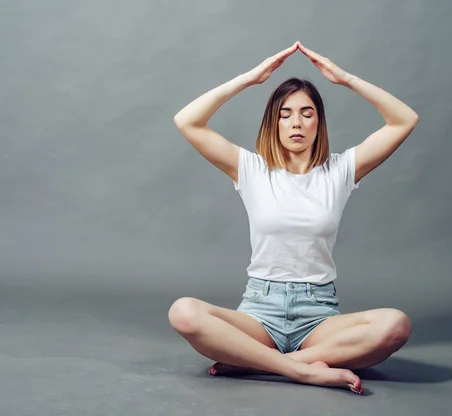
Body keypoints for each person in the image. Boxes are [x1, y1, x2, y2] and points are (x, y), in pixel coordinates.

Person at [169, 41, 419, 395]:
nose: (296, 123)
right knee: (184, 312)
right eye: (285, 114)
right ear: (274, 122)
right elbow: (187, 121)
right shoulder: (251, 169)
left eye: (306, 113)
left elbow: (404, 119)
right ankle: (306, 370)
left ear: (319, 121)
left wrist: (345, 79)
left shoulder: (340, 170)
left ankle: (258, 363)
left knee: (395, 325)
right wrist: (248, 79)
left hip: (319, 316)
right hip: (259, 312)